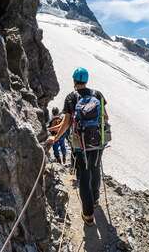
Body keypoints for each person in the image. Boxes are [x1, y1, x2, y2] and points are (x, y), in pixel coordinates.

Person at [47, 67, 107, 226]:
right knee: (95, 170)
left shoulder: (71, 97)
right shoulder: (98, 95)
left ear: (74, 81)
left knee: (84, 176)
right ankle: (94, 201)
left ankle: (88, 215)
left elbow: (66, 123)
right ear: (86, 80)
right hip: (97, 142)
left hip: (80, 144)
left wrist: (55, 137)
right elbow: (105, 117)